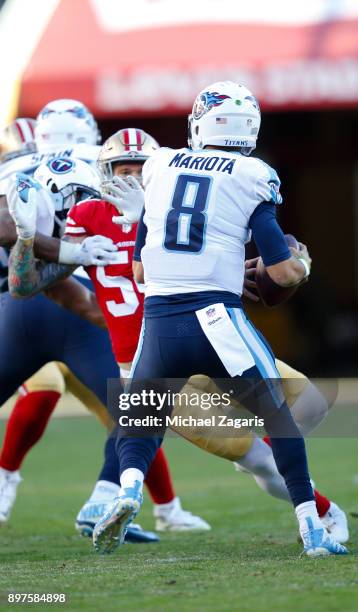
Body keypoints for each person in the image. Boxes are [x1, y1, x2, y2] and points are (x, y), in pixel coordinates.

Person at [7, 124, 348, 552]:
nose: (130, 176)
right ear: (102, 172)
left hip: (187, 339)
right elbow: (39, 287)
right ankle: (321, 511)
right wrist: (55, 250)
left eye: (138, 167)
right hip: (173, 348)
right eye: (121, 168)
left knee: (309, 406)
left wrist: (33, 241)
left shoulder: (164, 208)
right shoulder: (89, 218)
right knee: (263, 457)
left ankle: (136, 495)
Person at [90, 82, 348, 556]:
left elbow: (141, 270)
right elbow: (283, 270)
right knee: (280, 419)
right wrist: (303, 265)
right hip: (215, 318)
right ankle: (312, 527)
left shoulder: (161, 165)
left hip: (160, 321)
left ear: (200, 122)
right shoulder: (252, 173)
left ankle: (127, 492)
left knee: (142, 419)